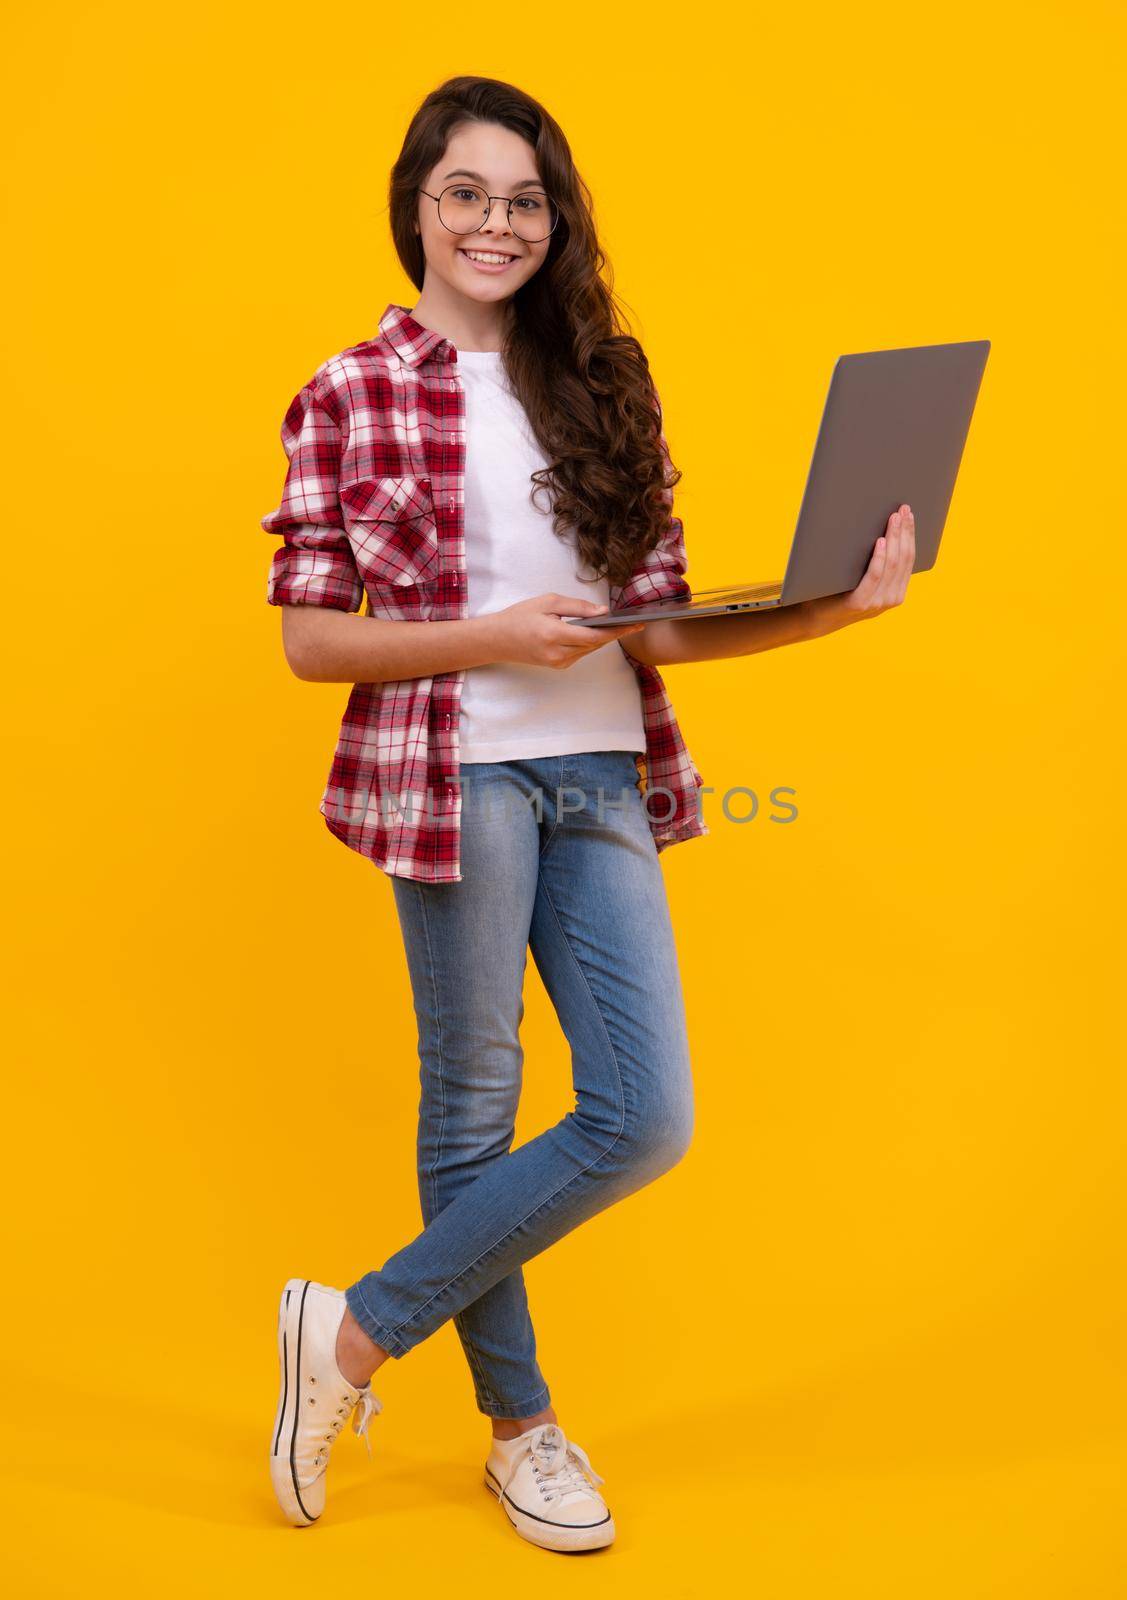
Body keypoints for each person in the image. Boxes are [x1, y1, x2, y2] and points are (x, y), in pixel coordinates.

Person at [260, 76, 915, 1553]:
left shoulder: (602, 376)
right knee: (476, 1113)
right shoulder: (351, 389)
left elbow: (660, 631)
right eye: (468, 195)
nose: (499, 223)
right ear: (417, 208)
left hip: (602, 771)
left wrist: (838, 611)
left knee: (643, 1114)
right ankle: (523, 1430)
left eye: (526, 200)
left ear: (557, 223)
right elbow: (312, 640)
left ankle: (350, 1335)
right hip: (459, 776)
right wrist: (499, 636)